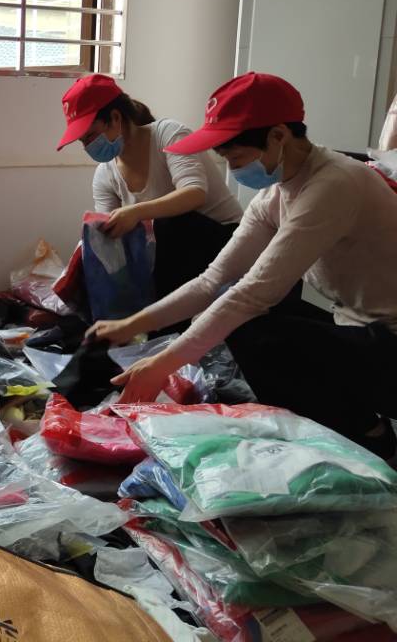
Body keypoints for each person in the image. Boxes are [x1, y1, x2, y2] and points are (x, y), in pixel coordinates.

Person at [89, 72, 397, 459]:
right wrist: (129, 325)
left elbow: (251, 295)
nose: (233, 170)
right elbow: (211, 280)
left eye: (236, 158)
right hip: (358, 325)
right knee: (239, 318)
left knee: (253, 330)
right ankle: (352, 420)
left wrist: (160, 365)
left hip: (389, 341)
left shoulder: (334, 184)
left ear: (278, 136)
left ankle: (369, 434)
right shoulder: (277, 195)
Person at [57, 74, 243, 302]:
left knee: (165, 225)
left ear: (115, 118)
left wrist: (135, 212)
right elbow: (111, 237)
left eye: (90, 136)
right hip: (179, 255)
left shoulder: (168, 134)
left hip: (227, 239)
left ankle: (167, 317)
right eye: (83, 142)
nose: (88, 147)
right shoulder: (105, 175)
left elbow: (194, 193)